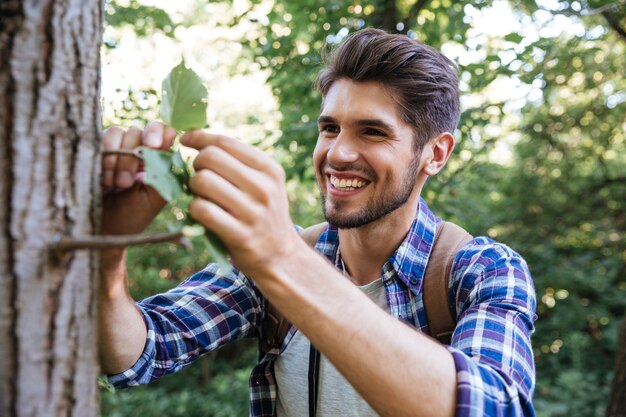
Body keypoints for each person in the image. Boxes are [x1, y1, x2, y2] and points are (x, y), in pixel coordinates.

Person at [100, 28, 537, 417]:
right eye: (330, 129)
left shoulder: (482, 270)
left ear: (435, 154)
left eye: (372, 131)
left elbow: (494, 407)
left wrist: (285, 262)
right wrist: (107, 251)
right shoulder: (276, 261)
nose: (338, 154)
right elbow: (139, 354)